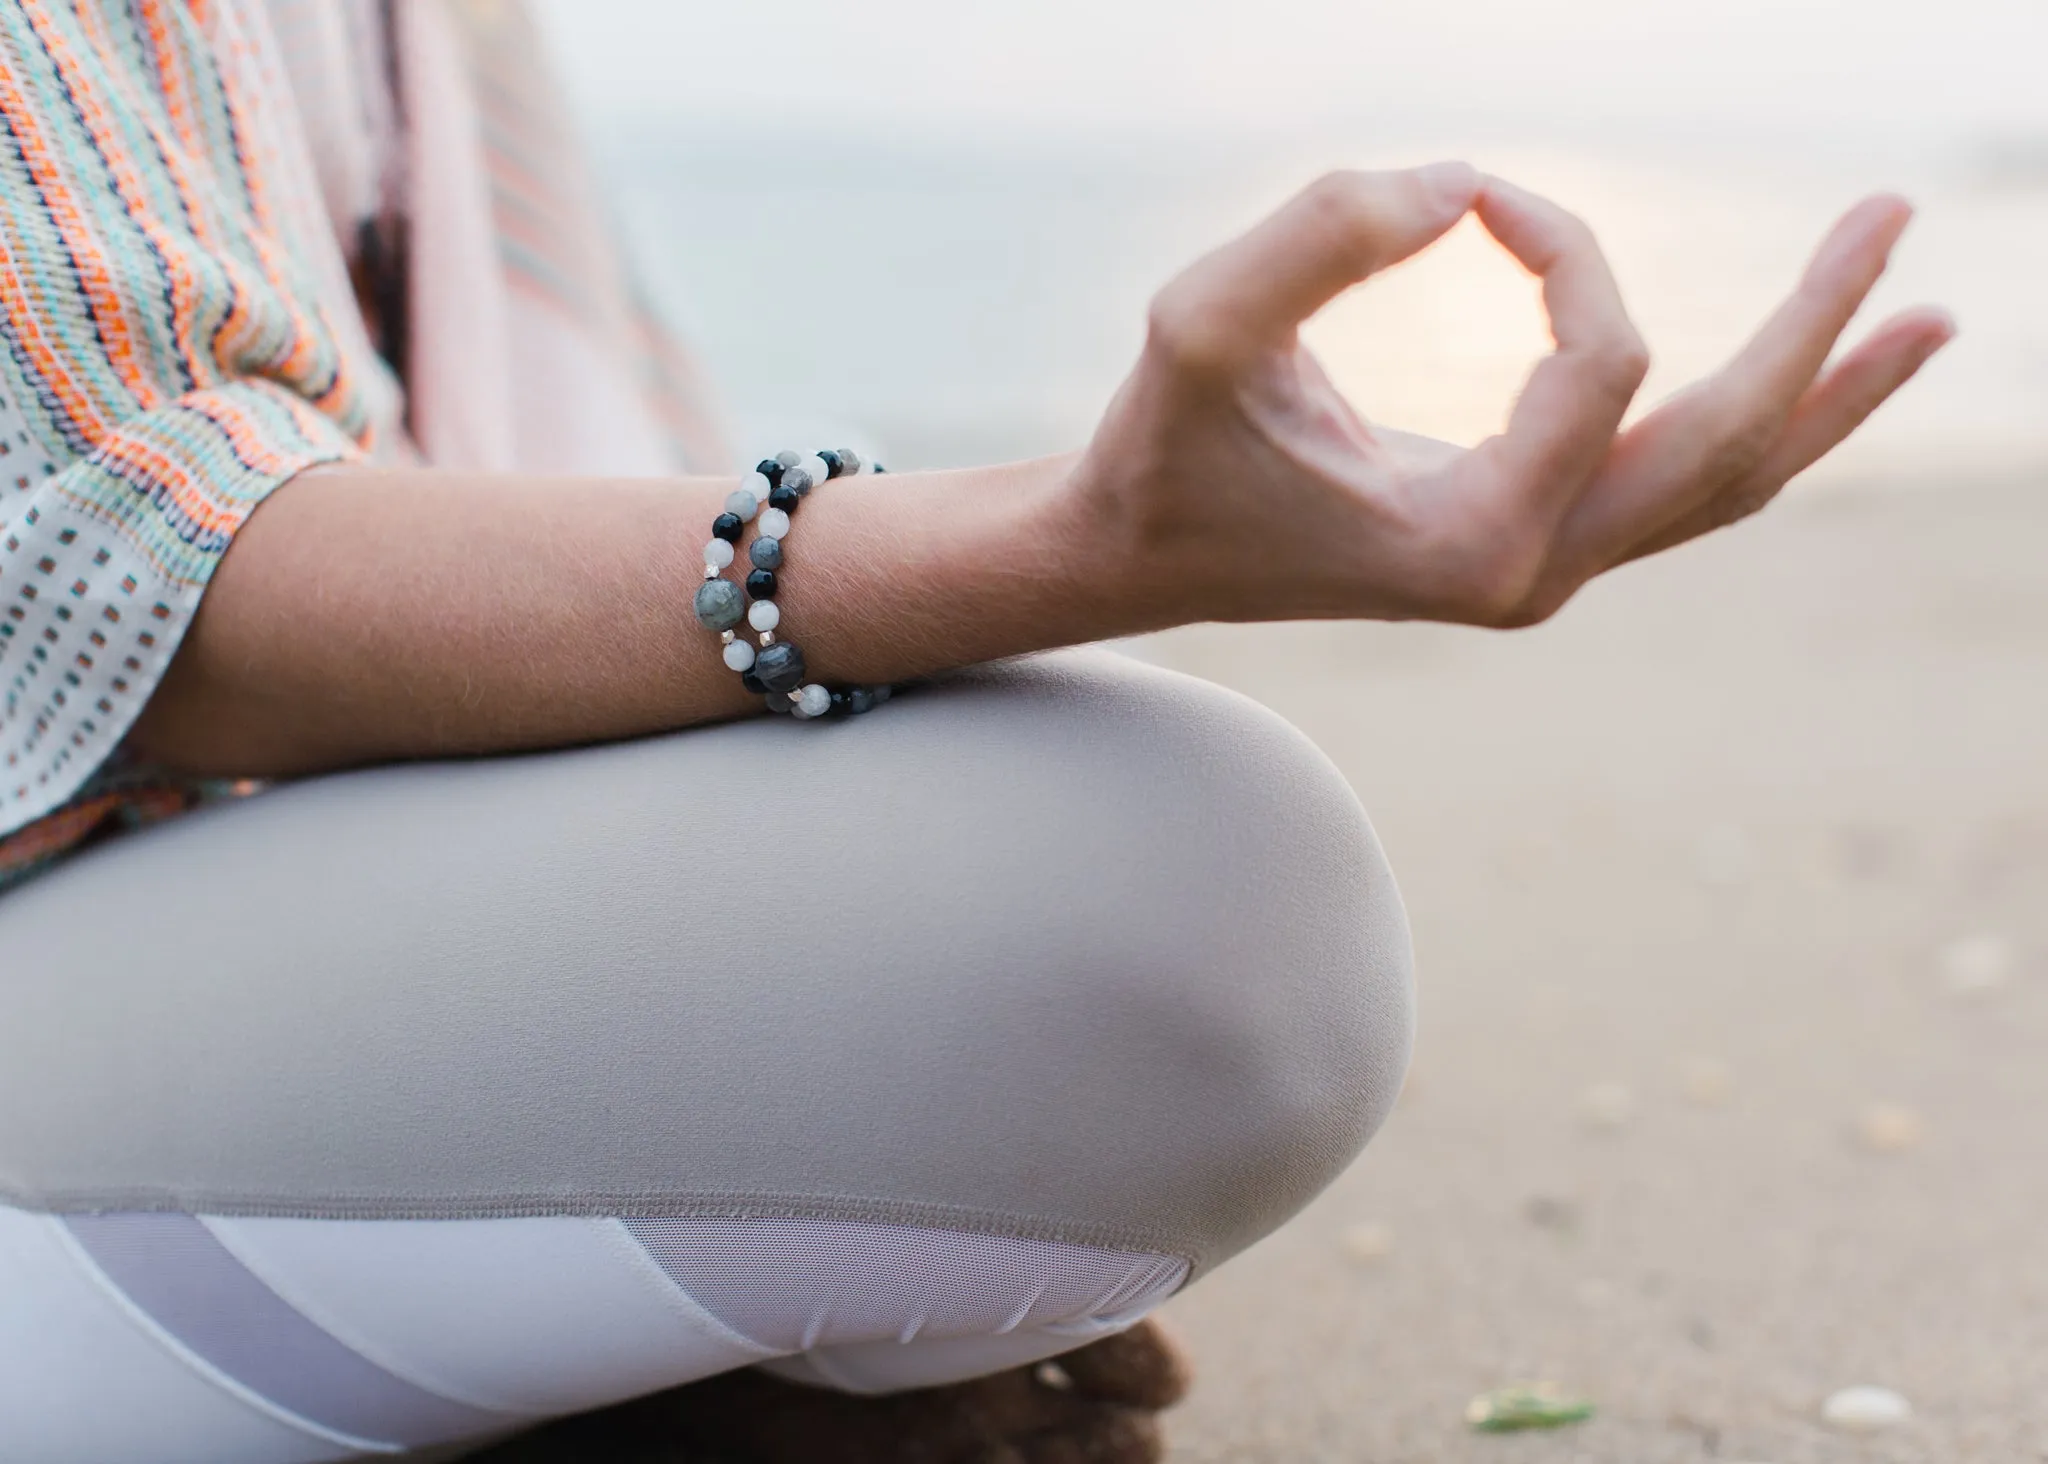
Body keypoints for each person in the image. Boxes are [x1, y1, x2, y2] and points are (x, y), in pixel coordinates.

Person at [0, 2, 1952, 1461]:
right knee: (1187, 888)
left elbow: (547, 493)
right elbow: (114, 590)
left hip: (193, 915)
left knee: (1132, 880)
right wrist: (1077, 536)